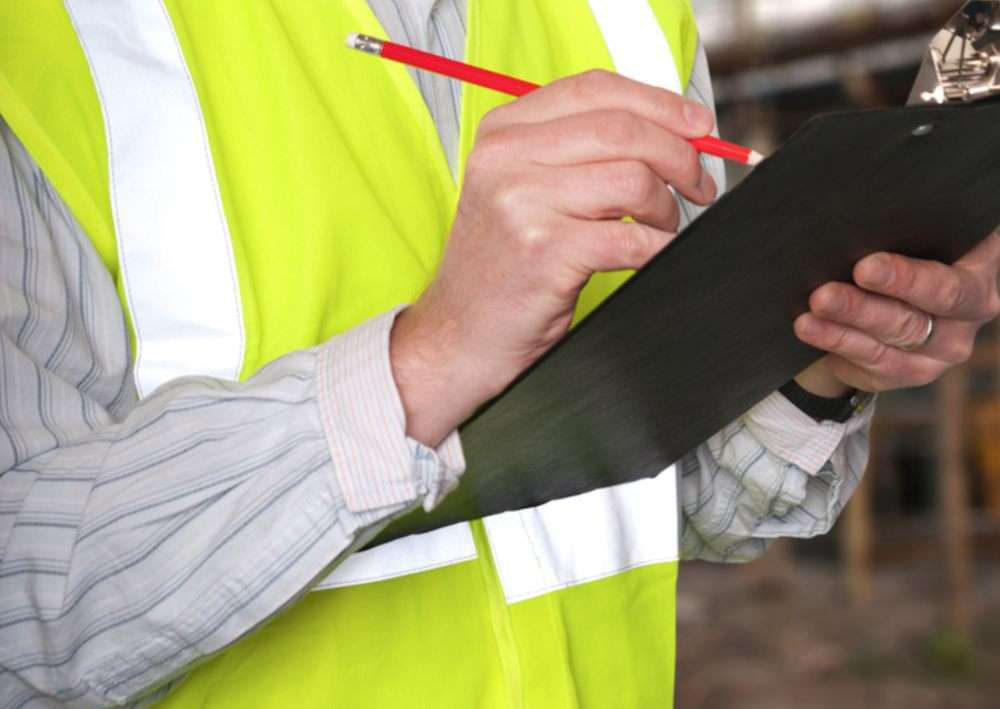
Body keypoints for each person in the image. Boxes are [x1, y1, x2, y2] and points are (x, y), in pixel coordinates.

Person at [0, 1, 997, 706]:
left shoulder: (632, 15)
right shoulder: (47, 45)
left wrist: (820, 360)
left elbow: (674, 495)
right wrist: (422, 365)